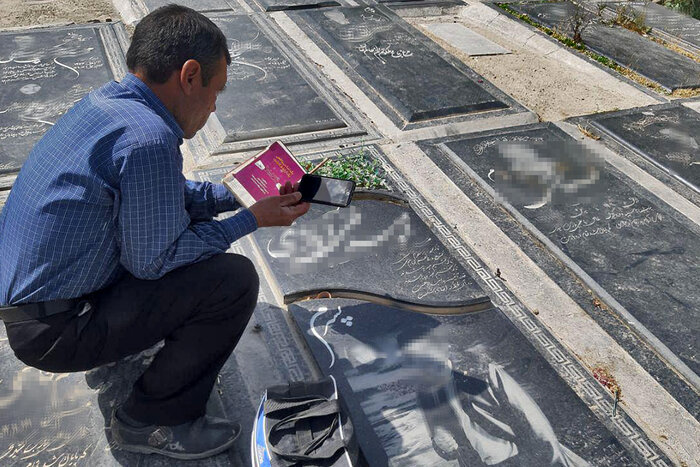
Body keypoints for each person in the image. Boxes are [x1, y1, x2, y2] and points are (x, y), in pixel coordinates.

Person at [0, 5, 309, 460]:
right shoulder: (148, 138)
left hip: (38, 308)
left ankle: (127, 351)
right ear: (190, 76)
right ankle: (152, 419)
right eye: (217, 90)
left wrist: (238, 195)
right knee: (232, 280)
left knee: (186, 227)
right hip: (58, 332)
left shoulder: (108, 105)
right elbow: (155, 261)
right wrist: (252, 220)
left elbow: (161, 194)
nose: (214, 106)